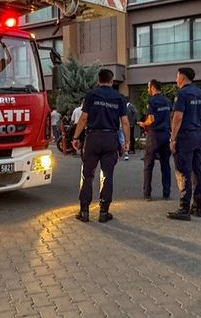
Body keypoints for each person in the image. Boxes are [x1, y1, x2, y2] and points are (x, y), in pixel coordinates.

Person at [72, 69, 130, 223]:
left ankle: (84, 211)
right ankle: (104, 212)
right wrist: (126, 142)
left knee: (87, 174)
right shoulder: (119, 98)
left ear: (98, 80)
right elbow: (125, 122)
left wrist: (76, 137)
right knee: (107, 175)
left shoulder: (91, 95)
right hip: (110, 138)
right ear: (111, 80)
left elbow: (83, 118)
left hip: (93, 138)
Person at [167, 67, 201, 221]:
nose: (176, 79)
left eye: (177, 76)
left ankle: (184, 208)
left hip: (185, 136)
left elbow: (178, 117)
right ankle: (197, 206)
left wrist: (172, 138)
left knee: (183, 171)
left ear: (182, 77)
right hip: (198, 135)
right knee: (196, 170)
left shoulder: (182, 94)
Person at [137, 79, 172, 201]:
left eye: (148, 87)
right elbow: (170, 116)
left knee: (148, 164)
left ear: (152, 87)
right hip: (165, 135)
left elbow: (151, 119)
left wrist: (143, 124)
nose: (148, 89)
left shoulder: (152, 101)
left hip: (154, 135)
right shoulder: (167, 101)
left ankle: (147, 193)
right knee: (165, 165)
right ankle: (166, 193)